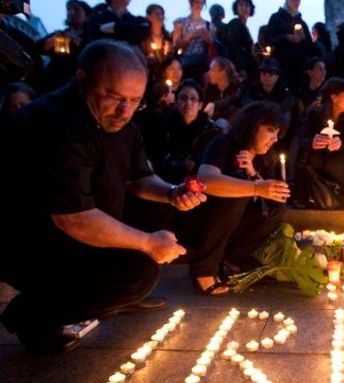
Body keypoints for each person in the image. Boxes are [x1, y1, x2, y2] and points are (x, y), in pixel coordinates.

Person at [0, 39, 206, 354]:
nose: (125, 111)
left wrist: (173, 193)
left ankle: (99, 297)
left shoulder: (123, 121)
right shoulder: (54, 124)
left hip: (91, 220)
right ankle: (32, 314)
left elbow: (138, 178)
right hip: (34, 244)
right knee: (138, 274)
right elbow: (73, 219)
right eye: (113, 97)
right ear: (83, 80)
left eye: (135, 100)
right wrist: (148, 243)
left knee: (168, 210)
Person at [182, 101, 289, 295]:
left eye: (277, 133)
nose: (274, 138)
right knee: (238, 184)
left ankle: (233, 259)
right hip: (203, 218)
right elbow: (205, 178)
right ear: (252, 126)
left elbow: (265, 198)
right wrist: (255, 187)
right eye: (270, 130)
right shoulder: (223, 143)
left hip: (235, 226)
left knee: (276, 206)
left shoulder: (264, 158)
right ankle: (203, 269)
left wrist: (254, 174)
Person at [295, 77, 344, 208]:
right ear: (334, 97)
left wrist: (340, 145)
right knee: (312, 157)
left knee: (336, 158)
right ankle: (308, 197)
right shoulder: (314, 114)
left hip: (338, 164)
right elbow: (302, 140)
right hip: (316, 161)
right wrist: (312, 142)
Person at [40, 0, 91, 91]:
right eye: (69, 9)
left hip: (78, 85)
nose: (71, 12)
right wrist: (56, 39)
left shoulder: (90, 37)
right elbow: (38, 48)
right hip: (53, 84)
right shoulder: (59, 34)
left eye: (76, 10)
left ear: (87, 16)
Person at [84, 0, 150, 47]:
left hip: (130, 62)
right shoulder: (96, 16)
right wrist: (132, 30)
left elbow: (145, 31)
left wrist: (114, 26)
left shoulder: (137, 19)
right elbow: (95, 33)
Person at [225, 0, 257, 83]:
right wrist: (241, 68)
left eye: (247, 5)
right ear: (236, 8)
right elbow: (233, 47)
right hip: (238, 69)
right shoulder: (235, 23)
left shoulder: (243, 26)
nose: (244, 8)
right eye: (241, 5)